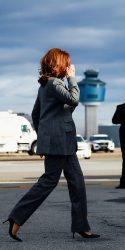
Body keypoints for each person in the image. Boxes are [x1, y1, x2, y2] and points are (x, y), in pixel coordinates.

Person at [3, 48, 99, 242]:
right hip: (59, 142)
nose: (70, 67)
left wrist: (44, 134)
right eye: (68, 63)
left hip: (62, 141)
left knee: (77, 183)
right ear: (60, 65)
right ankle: (17, 217)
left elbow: (37, 114)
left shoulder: (45, 86)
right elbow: (74, 99)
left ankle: (81, 226)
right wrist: (72, 78)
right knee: (48, 182)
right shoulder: (55, 83)